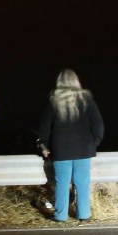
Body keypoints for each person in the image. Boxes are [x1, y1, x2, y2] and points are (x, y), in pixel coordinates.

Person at [38, 68, 104, 223]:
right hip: (84, 147)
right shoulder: (86, 99)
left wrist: (43, 146)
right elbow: (98, 124)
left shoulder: (53, 100)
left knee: (62, 182)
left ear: (59, 82)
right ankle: (84, 215)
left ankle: (61, 216)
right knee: (82, 182)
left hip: (61, 148)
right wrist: (94, 142)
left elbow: (44, 127)